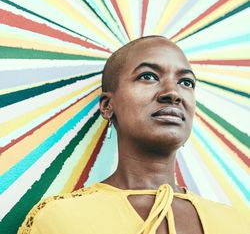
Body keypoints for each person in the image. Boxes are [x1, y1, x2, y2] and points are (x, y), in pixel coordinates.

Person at [18, 36, 249, 234]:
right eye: (148, 76)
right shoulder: (61, 220)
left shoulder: (237, 224)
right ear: (107, 105)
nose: (173, 93)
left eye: (186, 82)